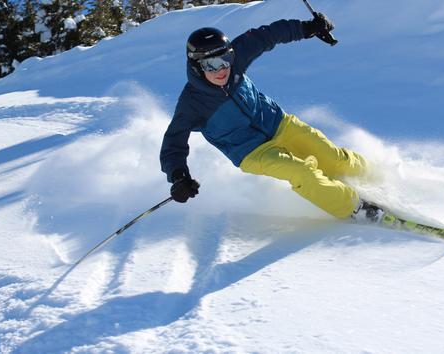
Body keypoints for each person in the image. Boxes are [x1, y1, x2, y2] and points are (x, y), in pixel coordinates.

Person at [159, 14, 385, 223]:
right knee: (302, 172)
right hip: (252, 153)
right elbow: (173, 143)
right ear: (197, 67)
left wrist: (307, 28)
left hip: (280, 124)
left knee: (335, 159)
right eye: (211, 64)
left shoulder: (235, 62)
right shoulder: (191, 103)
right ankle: (355, 209)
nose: (222, 70)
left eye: (225, 58)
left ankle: (378, 175)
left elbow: (266, 35)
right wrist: (179, 177)